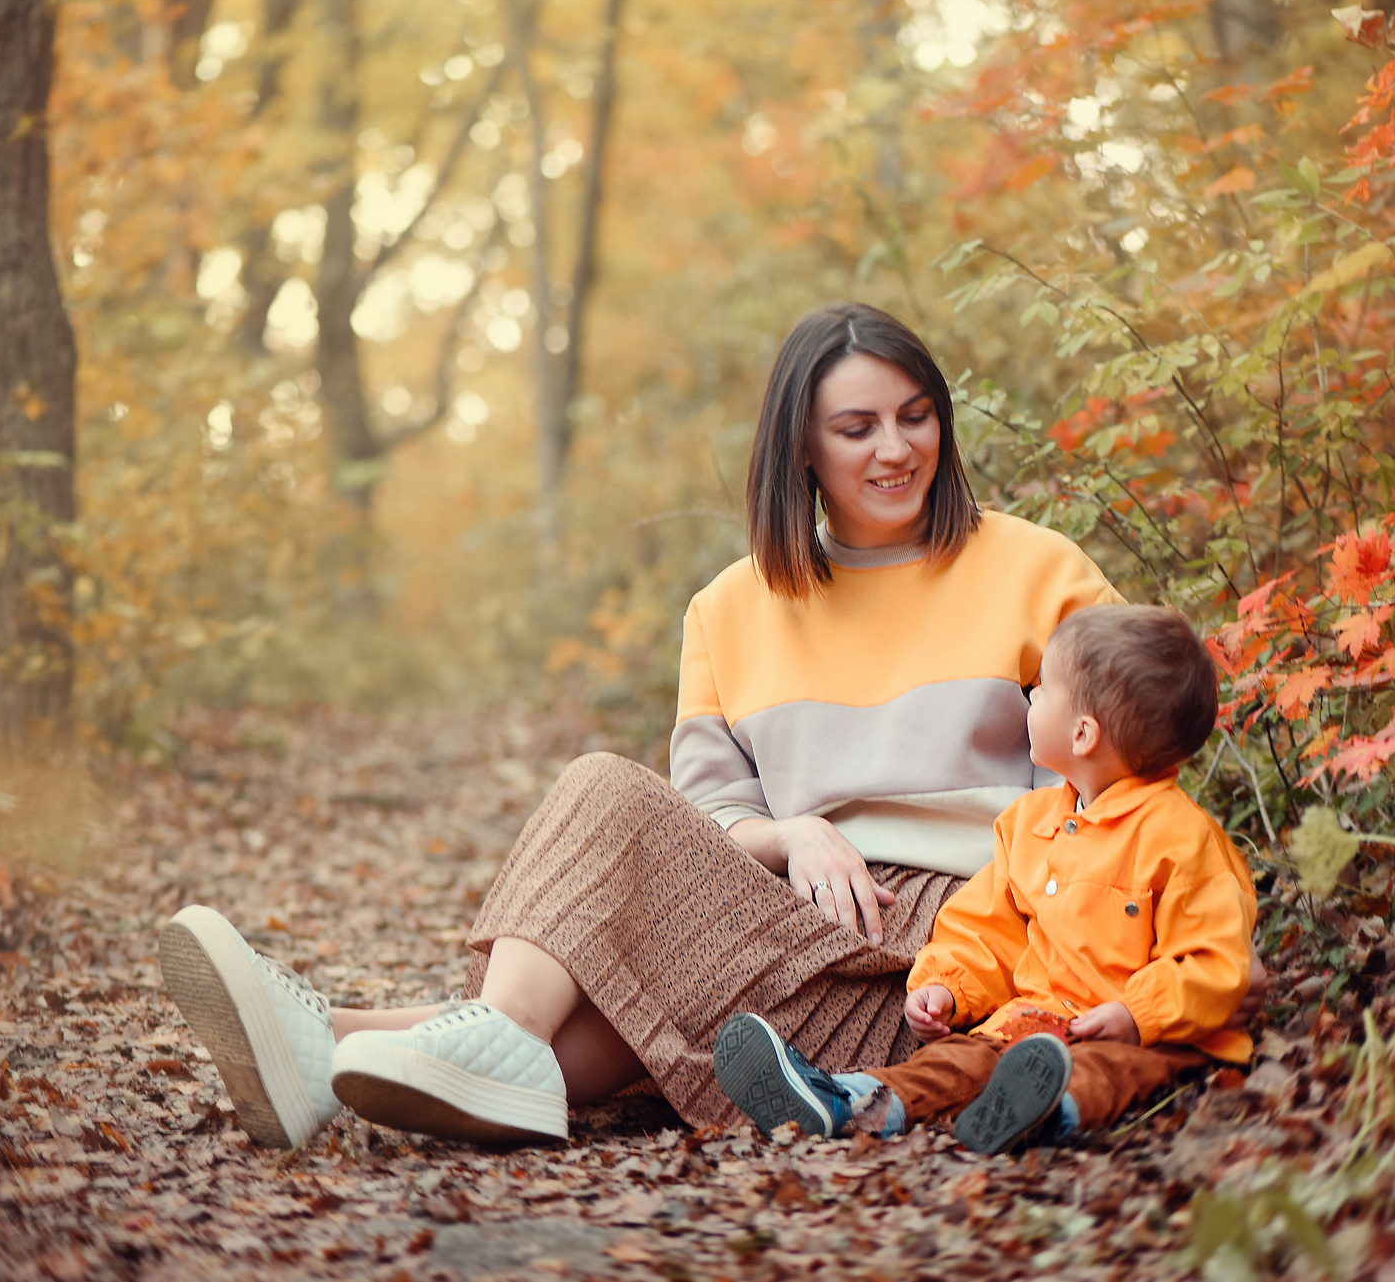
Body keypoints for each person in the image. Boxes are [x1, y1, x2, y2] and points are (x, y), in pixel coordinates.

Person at [151, 300, 1127, 1150]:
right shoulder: (729, 607)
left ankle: (338, 1041)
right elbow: (712, 817)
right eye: (857, 426)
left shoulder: (1038, 570)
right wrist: (792, 832)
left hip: (962, 950)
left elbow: (1120, 777)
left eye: (915, 418)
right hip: (790, 921)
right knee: (614, 812)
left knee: (612, 849)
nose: (894, 448)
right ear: (801, 445)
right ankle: (375, 1060)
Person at [711, 603, 1254, 1155]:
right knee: (955, 1061)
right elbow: (987, 927)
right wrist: (948, 986)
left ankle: (1047, 1114)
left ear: (1084, 734)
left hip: (1151, 1034)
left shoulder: (1181, 838)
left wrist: (1139, 1015)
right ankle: (844, 1101)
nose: (1031, 698)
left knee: (1112, 1070)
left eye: (1042, 689)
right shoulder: (1030, 825)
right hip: (1031, 1026)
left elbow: (1214, 958)